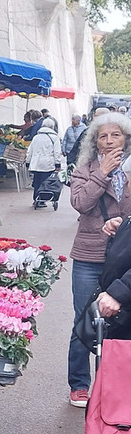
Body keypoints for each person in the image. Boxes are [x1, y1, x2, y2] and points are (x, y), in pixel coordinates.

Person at [68, 112, 131, 406]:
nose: (109, 141)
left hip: (122, 259)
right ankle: (79, 383)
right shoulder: (84, 171)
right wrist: (101, 172)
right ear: (95, 142)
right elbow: (81, 203)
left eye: (115, 135)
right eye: (103, 136)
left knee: (120, 321)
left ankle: (112, 384)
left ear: (126, 138)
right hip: (89, 255)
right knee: (86, 319)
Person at [26, 116, 61, 208]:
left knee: (37, 181)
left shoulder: (36, 137)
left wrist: (28, 162)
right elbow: (57, 152)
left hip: (36, 163)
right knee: (46, 182)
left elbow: (30, 151)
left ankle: (36, 199)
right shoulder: (55, 138)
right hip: (48, 164)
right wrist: (58, 163)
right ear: (52, 127)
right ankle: (43, 199)